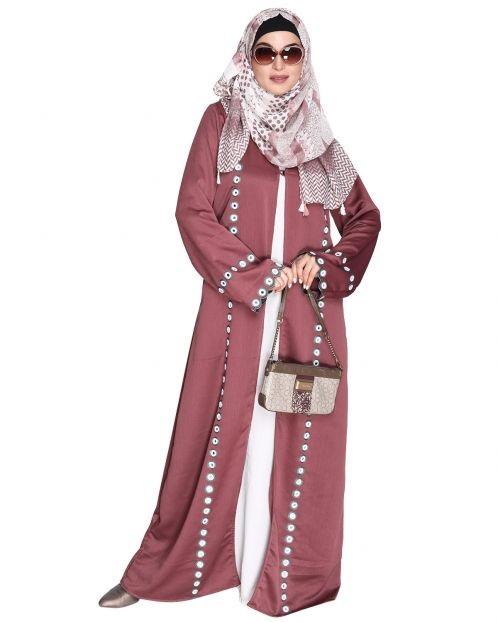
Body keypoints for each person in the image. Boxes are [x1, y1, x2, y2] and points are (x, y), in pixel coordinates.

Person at [99, 7, 381, 616]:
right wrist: (254, 275)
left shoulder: (319, 138)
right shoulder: (221, 122)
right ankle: (165, 569)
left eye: (290, 53)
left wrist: (323, 265)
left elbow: (365, 218)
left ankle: (283, 580)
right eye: (265, 52)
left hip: (304, 319)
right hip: (236, 313)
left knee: (292, 435)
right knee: (211, 431)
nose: (279, 64)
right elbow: (192, 210)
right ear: (248, 58)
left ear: (304, 61)